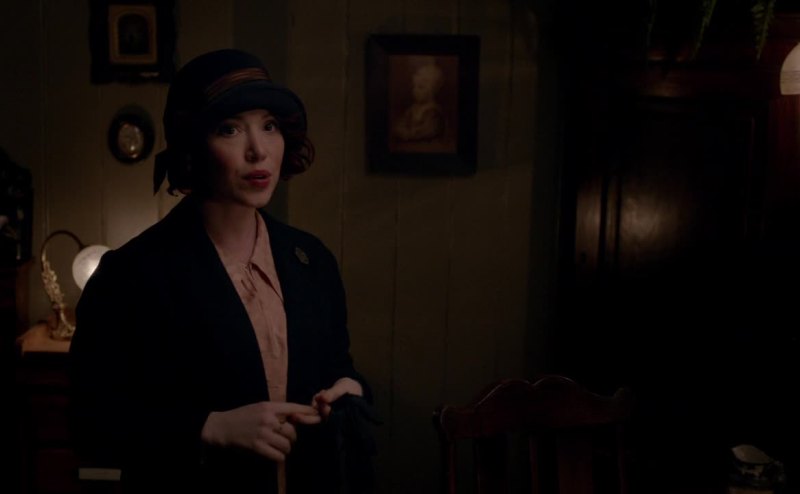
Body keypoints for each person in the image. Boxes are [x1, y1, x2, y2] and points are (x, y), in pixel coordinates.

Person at [69, 48, 372, 493]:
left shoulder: (312, 259)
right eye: (230, 129)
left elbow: (339, 368)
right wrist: (209, 428)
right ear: (193, 147)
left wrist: (349, 389)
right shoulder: (132, 275)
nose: (258, 150)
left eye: (269, 126)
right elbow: (91, 423)